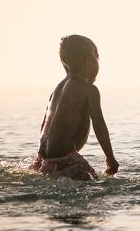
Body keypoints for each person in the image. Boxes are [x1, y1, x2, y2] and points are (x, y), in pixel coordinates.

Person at [31, 35, 119, 181]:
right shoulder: (89, 90)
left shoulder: (57, 90)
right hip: (66, 162)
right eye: (96, 58)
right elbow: (99, 126)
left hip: (41, 162)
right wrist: (110, 158)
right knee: (100, 184)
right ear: (89, 61)